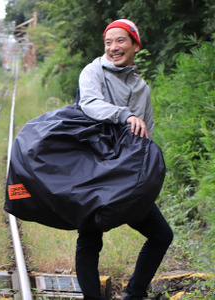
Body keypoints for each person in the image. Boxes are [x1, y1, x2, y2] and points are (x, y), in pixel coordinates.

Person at [77, 19, 173, 299]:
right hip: (94, 168)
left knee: (161, 235)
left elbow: (147, 134)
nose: (113, 47)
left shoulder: (142, 88)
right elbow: (89, 104)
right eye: (108, 42)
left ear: (134, 44)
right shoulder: (93, 71)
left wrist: (145, 179)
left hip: (126, 174)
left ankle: (135, 293)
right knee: (90, 238)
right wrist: (125, 115)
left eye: (120, 41)